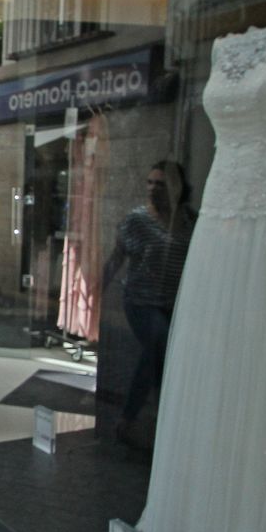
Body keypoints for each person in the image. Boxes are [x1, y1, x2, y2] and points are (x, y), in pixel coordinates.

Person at [103, 162, 195, 442]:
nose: (153, 189)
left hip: (173, 303)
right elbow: (117, 256)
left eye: (160, 184)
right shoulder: (137, 220)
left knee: (158, 355)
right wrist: (99, 290)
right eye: (149, 183)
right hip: (141, 300)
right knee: (159, 340)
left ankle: (153, 417)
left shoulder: (190, 220)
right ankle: (131, 416)